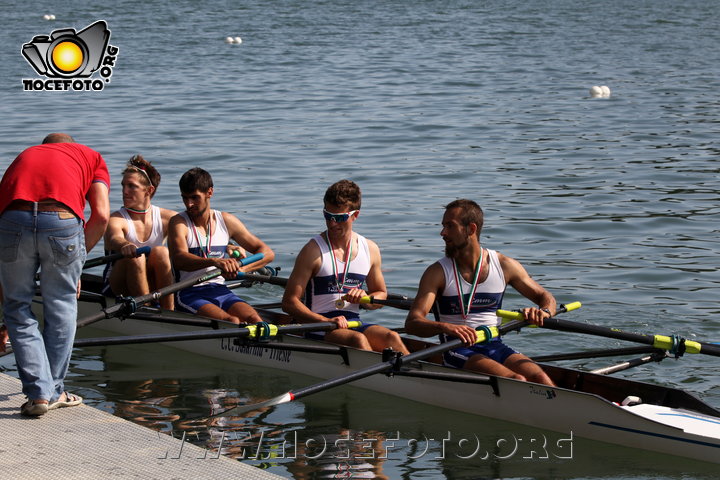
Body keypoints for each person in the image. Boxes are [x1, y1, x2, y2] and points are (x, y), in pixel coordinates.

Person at [0, 133, 110, 416]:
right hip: (61, 221)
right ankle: (55, 391)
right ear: (70, 145)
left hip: (14, 220)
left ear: (44, 146)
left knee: (17, 306)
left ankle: (37, 395)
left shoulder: (25, 155)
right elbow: (101, 215)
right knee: (61, 304)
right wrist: (78, 261)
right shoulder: (90, 157)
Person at [405, 199, 556, 386]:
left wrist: (544, 312)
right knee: (516, 380)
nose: (442, 233)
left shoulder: (504, 265)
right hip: (456, 348)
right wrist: (445, 327)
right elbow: (413, 323)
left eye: (449, 226)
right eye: (443, 226)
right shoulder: (437, 273)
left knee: (540, 378)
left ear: (471, 229)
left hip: (493, 344)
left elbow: (545, 297)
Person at [282, 180, 409, 354]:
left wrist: (366, 298)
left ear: (355, 215)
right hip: (319, 327)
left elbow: (380, 294)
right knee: (357, 339)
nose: (332, 223)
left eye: (340, 218)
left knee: (391, 337)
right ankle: (378, 379)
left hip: (353, 322)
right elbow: (289, 302)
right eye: (328, 216)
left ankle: (414, 379)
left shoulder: (370, 248)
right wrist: (322, 321)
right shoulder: (312, 251)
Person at [168, 168, 274, 324]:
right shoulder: (179, 223)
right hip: (188, 293)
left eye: (195, 198)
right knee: (231, 321)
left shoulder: (226, 221)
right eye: (185, 198)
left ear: (209, 192)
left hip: (220, 290)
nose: (189, 204)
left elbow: (267, 253)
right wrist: (214, 262)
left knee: (255, 319)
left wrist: (241, 270)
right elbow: (179, 259)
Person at [102, 155, 177, 310]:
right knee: (137, 257)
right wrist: (125, 244)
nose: (125, 191)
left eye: (131, 186)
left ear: (149, 190)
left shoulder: (167, 218)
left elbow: (196, 232)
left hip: (151, 282)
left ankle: (169, 311)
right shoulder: (116, 219)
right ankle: (147, 310)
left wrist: (229, 246)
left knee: (162, 252)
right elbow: (115, 237)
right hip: (116, 286)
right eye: (123, 185)